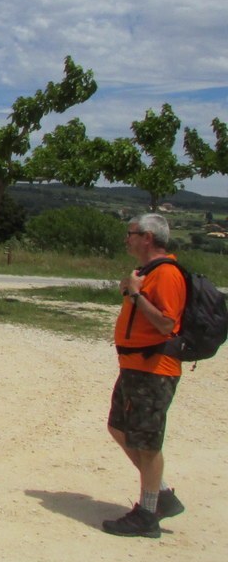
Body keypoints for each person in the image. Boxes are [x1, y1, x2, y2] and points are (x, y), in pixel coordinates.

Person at [102, 213, 187, 538]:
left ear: (147, 237)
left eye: (131, 233)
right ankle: (161, 495)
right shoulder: (149, 272)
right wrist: (133, 290)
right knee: (119, 427)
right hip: (136, 368)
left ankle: (148, 514)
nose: (127, 239)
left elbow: (167, 324)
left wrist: (136, 294)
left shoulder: (167, 274)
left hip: (154, 370)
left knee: (148, 443)